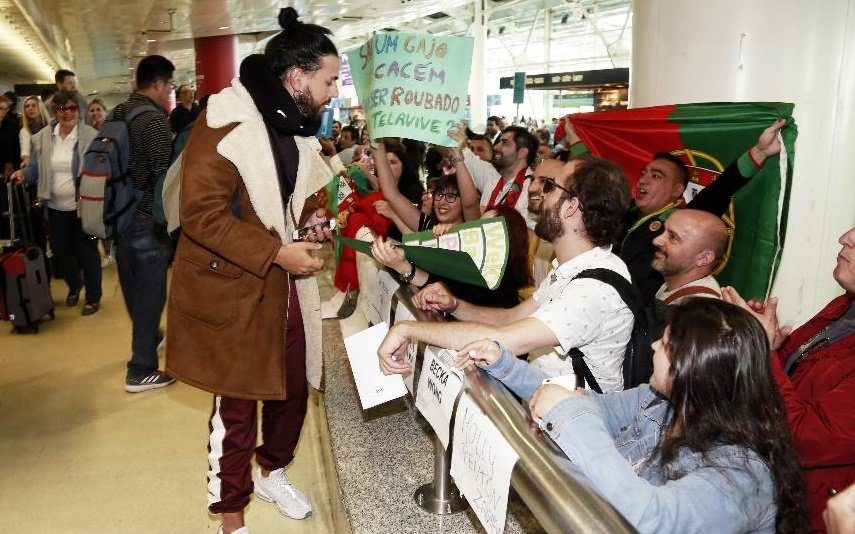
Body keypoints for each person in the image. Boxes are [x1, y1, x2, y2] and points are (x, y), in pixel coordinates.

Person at [165, 8, 338, 533]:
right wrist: (277, 252)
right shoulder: (223, 123)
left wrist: (311, 223)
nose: (332, 92)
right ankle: (230, 516)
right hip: (234, 287)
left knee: (290, 389)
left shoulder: (295, 127)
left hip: (283, 287)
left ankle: (274, 471)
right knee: (236, 407)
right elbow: (202, 215)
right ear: (296, 77)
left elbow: (296, 198)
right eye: (328, 80)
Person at [456, 298, 808, 533]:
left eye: (666, 345)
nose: (654, 346)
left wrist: (569, 413)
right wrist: (505, 365)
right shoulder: (660, 400)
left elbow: (652, 519)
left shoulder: (743, 475)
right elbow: (592, 408)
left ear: (695, 370)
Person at [378, 158, 633, 392]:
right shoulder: (571, 270)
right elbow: (510, 318)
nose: (539, 194)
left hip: (573, 431)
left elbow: (505, 339)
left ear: (571, 206)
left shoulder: (593, 288)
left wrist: (407, 329)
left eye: (550, 187)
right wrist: (454, 305)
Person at [563, 119, 787, 301]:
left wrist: (759, 151)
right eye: (644, 173)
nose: (643, 180)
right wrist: (576, 143)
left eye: (656, 175)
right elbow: (598, 183)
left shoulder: (680, 219)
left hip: (641, 319)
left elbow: (721, 188)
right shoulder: (625, 211)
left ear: (677, 189)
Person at [723, 226, 855, 533]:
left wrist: (765, 350)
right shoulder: (845, 306)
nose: (844, 237)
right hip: (765, 483)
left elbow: (805, 439)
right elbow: (794, 381)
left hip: (797, 514)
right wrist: (766, 340)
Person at [113, 54, 177, 393]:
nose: (170, 92)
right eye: (169, 86)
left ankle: (149, 336)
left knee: (135, 289)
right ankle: (140, 368)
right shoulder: (152, 120)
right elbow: (164, 176)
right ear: (158, 83)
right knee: (151, 293)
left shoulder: (118, 112)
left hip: (118, 217)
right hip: (144, 220)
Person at [9, 90, 102, 315]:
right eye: (62, 108)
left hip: (84, 207)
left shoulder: (90, 136)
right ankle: (74, 284)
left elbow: (100, 166)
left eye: (72, 108)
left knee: (87, 251)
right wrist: (24, 175)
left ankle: (92, 297)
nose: (67, 113)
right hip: (56, 208)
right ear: (55, 111)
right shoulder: (42, 137)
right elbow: (35, 169)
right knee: (60, 252)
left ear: (78, 111)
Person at [371, 203, 532, 310]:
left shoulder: (499, 285)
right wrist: (441, 243)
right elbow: (433, 282)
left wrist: (403, 266)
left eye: (485, 229)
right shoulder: (469, 264)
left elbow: (445, 290)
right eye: (477, 225)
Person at [651, 208, 728, 304]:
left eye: (673, 237)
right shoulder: (675, 284)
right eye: (663, 231)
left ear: (703, 258)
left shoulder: (699, 310)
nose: (656, 241)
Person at [18, 95, 50, 169]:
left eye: (33, 105)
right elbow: (25, 150)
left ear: (40, 107)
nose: (30, 108)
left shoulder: (50, 127)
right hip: (36, 167)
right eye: (27, 106)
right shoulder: (25, 130)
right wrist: (26, 160)